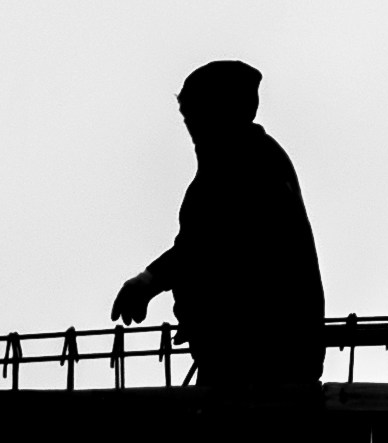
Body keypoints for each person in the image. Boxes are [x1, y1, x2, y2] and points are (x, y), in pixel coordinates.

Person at [113, 61, 326, 398]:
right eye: (187, 118)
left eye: (196, 115)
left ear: (224, 112)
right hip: (256, 357)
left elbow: (212, 246)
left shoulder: (246, 166)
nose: (191, 128)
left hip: (256, 363)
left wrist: (151, 280)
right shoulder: (251, 162)